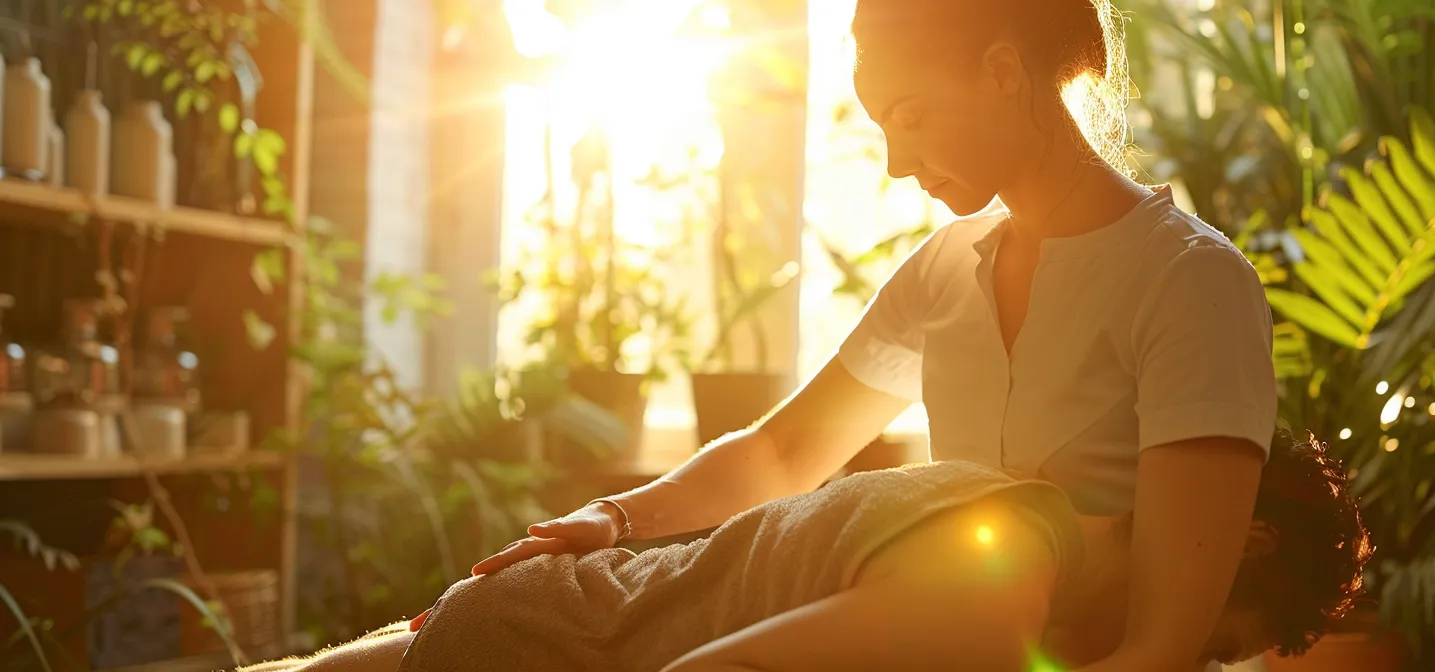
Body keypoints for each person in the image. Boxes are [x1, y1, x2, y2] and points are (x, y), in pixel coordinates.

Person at [459, 1, 1279, 668]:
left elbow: (1160, 649)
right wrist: (615, 518)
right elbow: (783, 453)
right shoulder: (948, 268)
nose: (893, 162)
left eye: (910, 115)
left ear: (1002, 71)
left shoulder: (1191, 281)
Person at [240, 432, 1368, 671]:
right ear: (1239, 546)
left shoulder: (1018, 497)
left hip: (537, 614)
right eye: (1222, 651)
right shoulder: (992, 598)